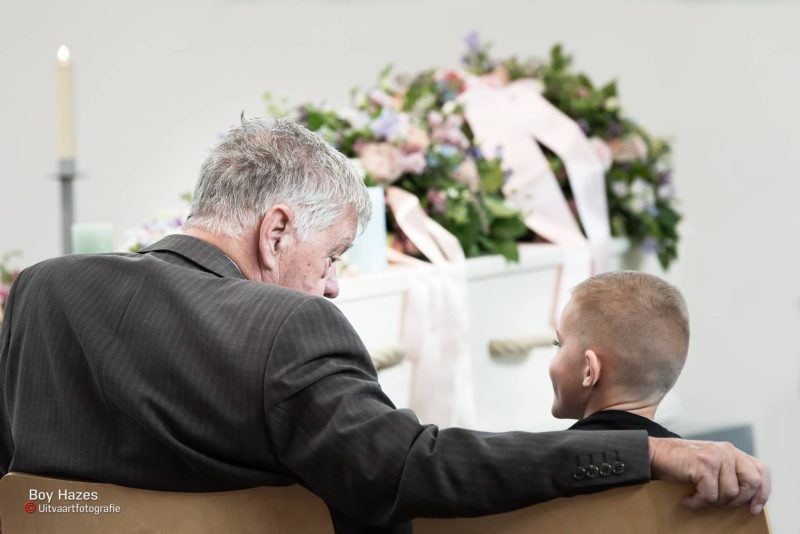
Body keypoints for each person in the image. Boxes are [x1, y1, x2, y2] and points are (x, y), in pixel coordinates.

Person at [0, 117, 770, 532]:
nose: (332, 288)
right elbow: (412, 472)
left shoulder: (39, 292)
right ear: (275, 232)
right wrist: (635, 450)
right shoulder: (287, 328)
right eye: (333, 255)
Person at [550, 271, 687, 439]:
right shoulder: (688, 459)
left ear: (589, 371)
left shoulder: (550, 459)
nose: (553, 358)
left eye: (559, 344)